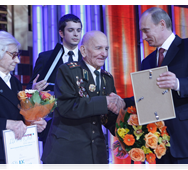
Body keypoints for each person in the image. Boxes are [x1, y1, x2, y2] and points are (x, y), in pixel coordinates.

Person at [138, 7, 188, 169]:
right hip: (161, 144)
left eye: (146, 30)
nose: (143, 37)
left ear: (162, 24)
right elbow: (145, 97)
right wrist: (120, 102)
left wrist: (178, 83)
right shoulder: (147, 61)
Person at [41, 30, 125, 168]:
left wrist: (130, 130)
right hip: (67, 154)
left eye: (106, 48)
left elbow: (108, 117)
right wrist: (105, 102)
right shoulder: (67, 71)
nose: (104, 53)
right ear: (83, 50)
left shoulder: (107, 78)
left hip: (96, 155)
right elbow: (67, 107)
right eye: (98, 48)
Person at [0, 31, 47, 169]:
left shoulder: (14, 82)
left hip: (17, 154)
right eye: (13, 55)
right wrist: (7, 124)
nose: (17, 60)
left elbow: (18, 117)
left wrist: (32, 123)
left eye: (18, 55)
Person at [26, 14, 83, 92]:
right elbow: (31, 86)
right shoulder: (45, 57)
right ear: (61, 33)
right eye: (71, 30)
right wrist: (33, 89)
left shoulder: (87, 58)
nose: (76, 34)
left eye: (78, 30)